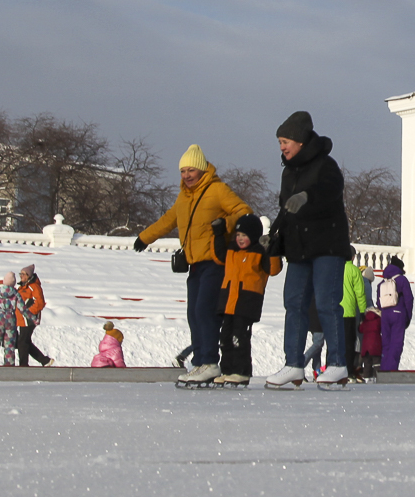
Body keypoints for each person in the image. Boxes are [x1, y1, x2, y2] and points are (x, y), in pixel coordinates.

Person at [134, 144, 253, 384]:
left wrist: (224, 224)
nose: (187, 175)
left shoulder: (217, 190)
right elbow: (168, 220)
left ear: (202, 170)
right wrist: (145, 237)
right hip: (195, 265)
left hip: (215, 262)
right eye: (182, 171)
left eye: (191, 170)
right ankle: (200, 362)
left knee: (204, 311)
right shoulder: (183, 197)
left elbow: (244, 211)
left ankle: (209, 361)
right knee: (193, 314)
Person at [262, 111, 353, 389]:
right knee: (294, 304)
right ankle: (293, 365)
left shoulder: (326, 165)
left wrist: (307, 196)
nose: (282, 147)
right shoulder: (288, 172)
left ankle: (338, 364)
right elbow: (285, 209)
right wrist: (273, 236)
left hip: (327, 245)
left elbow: (330, 190)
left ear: (301, 141)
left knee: (327, 304)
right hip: (299, 248)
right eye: (279, 142)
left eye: (285, 141)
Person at [213, 214, 281, 384]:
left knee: (239, 338)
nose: (240, 239)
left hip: (246, 302)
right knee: (226, 338)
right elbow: (218, 255)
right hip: (229, 302)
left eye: (244, 235)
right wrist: (219, 234)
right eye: (238, 235)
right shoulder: (231, 250)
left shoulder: (259, 251)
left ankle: (242, 371)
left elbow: (273, 269)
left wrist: (272, 248)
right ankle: (228, 370)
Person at [376, 257, 413, 372]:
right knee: (396, 344)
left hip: (385, 315)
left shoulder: (382, 282)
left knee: (386, 343)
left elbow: (379, 302)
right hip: (398, 313)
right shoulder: (402, 280)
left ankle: (384, 368)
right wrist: (407, 317)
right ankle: (391, 370)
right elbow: (409, 299)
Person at [15, 263, 53, 368]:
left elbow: (40, 303)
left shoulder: (34, 287)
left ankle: (23, 365)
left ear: (29, 275)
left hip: (29, 320)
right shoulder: (22, 287)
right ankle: (44, 360)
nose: (21, 276)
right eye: (20, 274)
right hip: (22, 320)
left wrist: (28, 312)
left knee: (22, 342)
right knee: (24, 341)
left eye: (23, 274)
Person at [342, 255, 370, 381]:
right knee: (349, 342)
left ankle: (332, 367)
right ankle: (348, 370)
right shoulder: (354, 270)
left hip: (335, 310)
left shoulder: (336, 268)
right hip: (349, 311)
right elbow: (360, 293)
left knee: (335, 341)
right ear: (353, 257)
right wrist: (363, 311)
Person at [358, 308, 383, 380]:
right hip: (376, 345)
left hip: (366, 347)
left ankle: (366, 377)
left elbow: (360, 329)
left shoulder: (365, 321)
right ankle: (378, 377)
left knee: (367, 363)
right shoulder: (379, 320)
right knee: (377, 363)